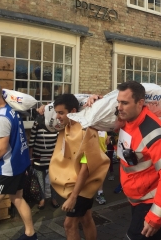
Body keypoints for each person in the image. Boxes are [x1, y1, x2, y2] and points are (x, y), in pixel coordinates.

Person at [90, 81, 161, 240]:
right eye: (118, 102)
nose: (120, 107)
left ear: (140, 103)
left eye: (125, 103)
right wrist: (96, 102)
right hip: (136, 199)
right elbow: (100, 120)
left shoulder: (155, 134)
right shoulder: (127, 119)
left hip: (150, 203)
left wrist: (156, 216)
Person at [0, 81, 37, 240]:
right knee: (17, 198)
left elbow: (1, 149)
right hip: (20, 164)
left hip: (9, 169)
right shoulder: (10, 111)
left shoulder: (0, 119)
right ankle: (31, 234)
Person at [49, 94, 109, 240]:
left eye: (61, 113)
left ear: (73, 111)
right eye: (56, 112)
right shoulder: (68, 128)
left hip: (81, 187)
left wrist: (73, 197)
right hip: (74, 184)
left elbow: (86, 166)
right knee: (86, 218)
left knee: (69, 224)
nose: (57, 116)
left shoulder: (85, 131)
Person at [28, 117, 60, 210]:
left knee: (53, 181)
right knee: (40, 181)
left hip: (52, 159)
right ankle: (42, 199)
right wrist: (31, 158)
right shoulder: (37, 123)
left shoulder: (56, 125)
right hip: (38, 158)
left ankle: (54, 199)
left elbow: (59, 142)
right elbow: (31, 142)